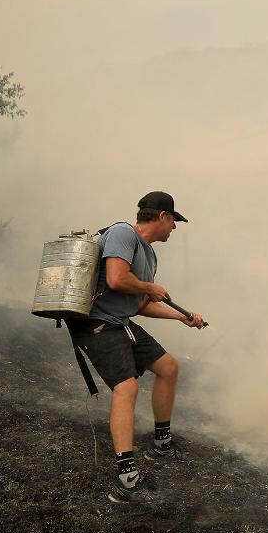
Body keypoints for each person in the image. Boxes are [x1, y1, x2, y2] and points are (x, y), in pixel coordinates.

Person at [67, 191, 205, 504]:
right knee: (126, 388)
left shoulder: (149, 255)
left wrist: (181, 316)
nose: (174, 229)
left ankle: (162, 443)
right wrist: (148, 287)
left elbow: (140, 304)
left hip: (121, 322)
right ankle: (126, 479)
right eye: (174, 222)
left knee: (168, 367)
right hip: (98, 324)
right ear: (163, 217)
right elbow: (116, 280)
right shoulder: (122, 233)